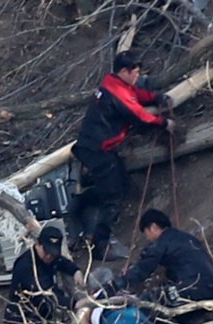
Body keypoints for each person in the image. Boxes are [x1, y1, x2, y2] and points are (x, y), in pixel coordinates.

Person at [69, 51, 176, 260]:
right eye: (134, 72)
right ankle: (102, 243)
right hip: (97, 150)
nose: (137, 76)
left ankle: (80, 202)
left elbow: (136, 96)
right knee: (113, 198)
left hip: (102, 148)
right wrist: (164, 123)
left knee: (122, 185)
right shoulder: (115, 92)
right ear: (124, 72)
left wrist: (156, 98)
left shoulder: (115, 84)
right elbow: (138, 114)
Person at [98, 209, 213, 324]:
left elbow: (143, 268)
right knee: (164, 296)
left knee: (147, 303)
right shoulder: (185, 238)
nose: (148, 238)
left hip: (194, 288)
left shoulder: (162, 242)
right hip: (212, 287)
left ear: (153, 227)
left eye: (146, 233)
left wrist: (117, 284)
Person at [75, 268, 155, 324]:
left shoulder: (100, 293)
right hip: (142, 323)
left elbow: (78, 305)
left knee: (82, 313)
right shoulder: (126, 289)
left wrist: (92, 297)